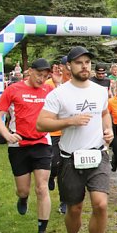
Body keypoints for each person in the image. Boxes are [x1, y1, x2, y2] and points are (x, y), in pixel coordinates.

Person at [36, 46, 114, 233]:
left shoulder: (100, 91)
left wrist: (108, 130)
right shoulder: (58, 94)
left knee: (100, 204)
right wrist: (69, 121)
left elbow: (104, 113)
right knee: (75, 208)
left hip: (97, 154)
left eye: (87, 62)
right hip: (71, 158)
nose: (85, 66)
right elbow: (42, 124)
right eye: (79, 63)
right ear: (69, 66)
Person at [0, 58, 55, 233]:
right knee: (24, 189)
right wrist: (6, 134)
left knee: (42, 187)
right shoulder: (13, 89)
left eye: (45, 76)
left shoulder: (49, 90)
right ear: (30, 71)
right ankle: (23, 198)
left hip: (42, 143)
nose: (42, 79)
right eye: (39, 75)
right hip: (18, 144)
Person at [44, 57, 71, 214]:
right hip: (54, 131)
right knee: (54, 164)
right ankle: (50, 175)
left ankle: (64, 200)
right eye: (63, 66)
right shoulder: (49, 84)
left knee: (65, 168)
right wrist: (57, 83)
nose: (65, 69)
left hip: (69, 131)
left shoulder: (76, 82)